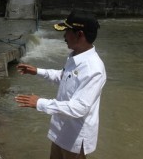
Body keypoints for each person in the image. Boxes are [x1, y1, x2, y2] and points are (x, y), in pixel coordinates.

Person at [15, 11, 106, 159]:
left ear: (79, 34)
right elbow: (63, 77)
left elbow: (80, 107)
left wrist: (40, 103)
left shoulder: (93, 69)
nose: (64, 36)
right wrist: (37, 71)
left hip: (76, 138)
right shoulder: (75, 56)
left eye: (67, 31)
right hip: (61, 131)